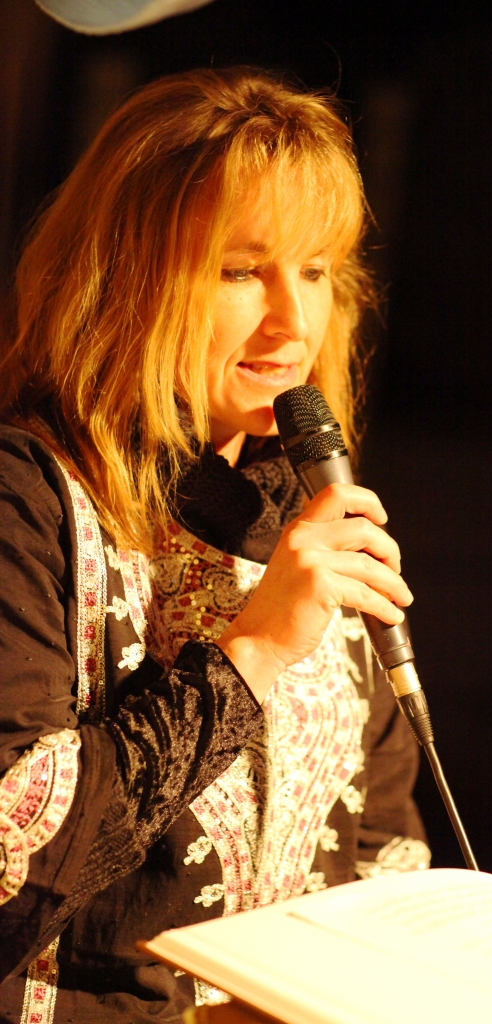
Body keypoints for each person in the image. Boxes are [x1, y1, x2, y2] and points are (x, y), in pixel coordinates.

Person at [0, 67, 429, 1023]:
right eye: (242, 270)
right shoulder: (24, 498)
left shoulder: (307, 517)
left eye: (314, 270)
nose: (293, 321)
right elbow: (13, 854)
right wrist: (256, 650)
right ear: (126, 277)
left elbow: (384, 841)